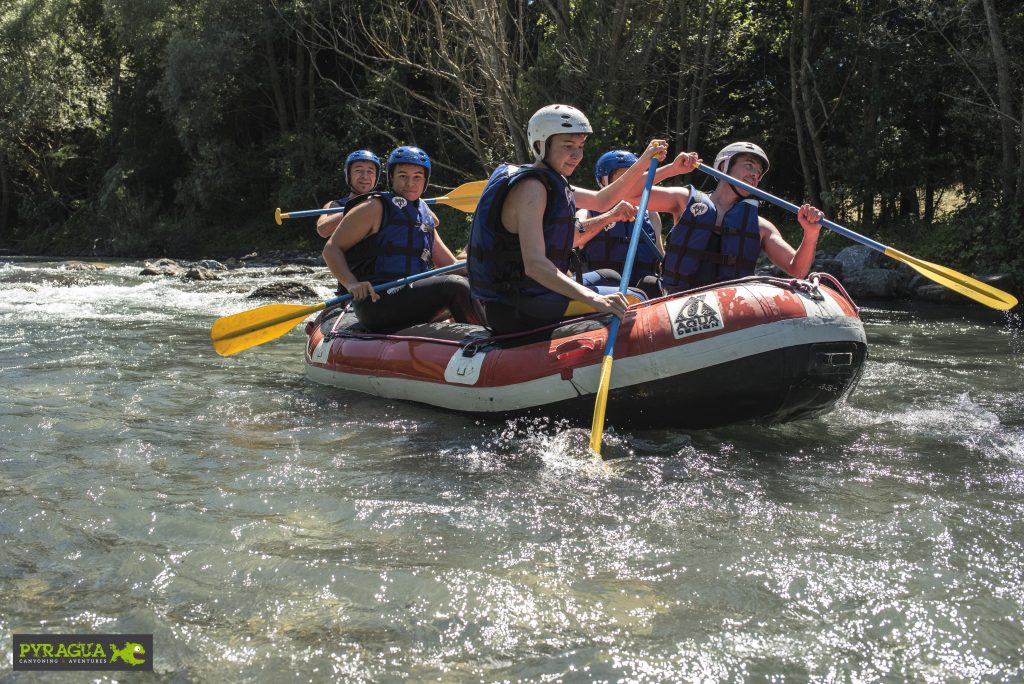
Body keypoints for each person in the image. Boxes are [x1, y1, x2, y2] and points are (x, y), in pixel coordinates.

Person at [468, 104, 668, 335]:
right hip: (519, 305)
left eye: (581, 147)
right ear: (541, 145)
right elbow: (535, 266)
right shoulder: (531, 188)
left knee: (611, 276)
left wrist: (644, 159)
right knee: (635, 297)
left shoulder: (551, 182)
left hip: (535, 292)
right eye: (567, 146)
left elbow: (603, 200)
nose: (577, 155)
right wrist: (596, 300)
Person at [626, 141, 825, 293]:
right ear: (723, 166)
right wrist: (672, 169)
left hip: (730, 309)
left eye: (758, 172)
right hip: (678, 301)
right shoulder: (684, 200)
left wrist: (810, 234)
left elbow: (797, 269)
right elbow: (630, 193)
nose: (755, 175)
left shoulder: (761, 227)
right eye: (749, 165)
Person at [322, 145, 482, 331]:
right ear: (391, 177)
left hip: (411, 296)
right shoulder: (374, 207)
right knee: (454, 286)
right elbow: (331, 249)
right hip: (377, 300)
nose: (410, 183)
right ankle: (484, 342)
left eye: (417, 177)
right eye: (403, 176)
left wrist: (483, 266)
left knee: (470, 283)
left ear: (425, 181)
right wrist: (351, 283)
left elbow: (450, 266)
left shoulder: (425, 216)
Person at [573, 150, 666, 299]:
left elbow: (660, 255)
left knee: (651, 283)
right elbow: (576, 238)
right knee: (611, 278)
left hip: (642, 288)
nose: (629, 183)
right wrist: (610, 216)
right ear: (604, 180)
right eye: (622, 177)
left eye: (634, 177)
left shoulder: (650, 214)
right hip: (605, 290)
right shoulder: (587, 212)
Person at [316, 150, 381, 239]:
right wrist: (357, 210)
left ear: (376, 176)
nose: (365, 176)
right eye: (358, 170)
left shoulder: (384, 203)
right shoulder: (334, 205)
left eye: (370, 171)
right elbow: (323, 230)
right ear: (349, 175)